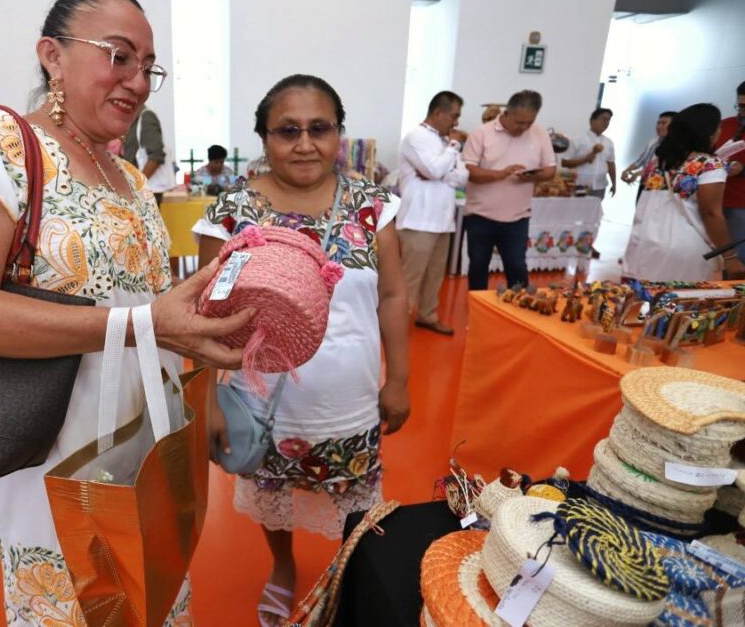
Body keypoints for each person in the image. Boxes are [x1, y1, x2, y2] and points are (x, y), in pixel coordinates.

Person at [0, 0, 252, 626]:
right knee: (76, 602)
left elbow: (145, 304)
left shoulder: (129, 178)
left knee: (149, 590)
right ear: (53, 55)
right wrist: (145, 324)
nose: (138, 82)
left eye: (148, 67)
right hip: (53, 446)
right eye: (118, 56)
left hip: (142, 438)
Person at [195, 74, 410, 626]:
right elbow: (203, 314)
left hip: (351, 399)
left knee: (355, 498)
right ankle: (284, 566)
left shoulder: (372, 207)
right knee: (274, 494)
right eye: (287, 131)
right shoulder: (231, 212)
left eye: (320, 128)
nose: (305, 144)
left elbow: (392, 295)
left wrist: (399, 380)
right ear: (264, 138)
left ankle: (348, 571)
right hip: (265, 402)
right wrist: (208, 401)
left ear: (339, 134)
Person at [624, 103, 745, 281]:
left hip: (644, 242)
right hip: (685, 249)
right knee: (680, 297)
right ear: (708, 133)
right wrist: (730, 257)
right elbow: (711, 213)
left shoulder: (659, 161)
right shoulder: (710, 164)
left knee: (642, 295)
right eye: (718, 127)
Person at [462, 90, 556, 291]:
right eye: (519, 122)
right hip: (480, 215)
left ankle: (519, 306)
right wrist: (501, 174)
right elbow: (468, 171)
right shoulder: (482, 133)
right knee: (478, 265)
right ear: (507, 112)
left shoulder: (539, 134)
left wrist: (533, 175)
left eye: (529, 122)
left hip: (518, 217)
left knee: (517, 266)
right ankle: (478, 306)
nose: (523, 128)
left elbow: (550, 170)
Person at [397, 90, 468, 336]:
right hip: (418, 220)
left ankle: (427, 315)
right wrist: (452, 150)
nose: (456, 122)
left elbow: (462, 177)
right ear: (438, 113)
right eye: (454, 116)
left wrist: (441, 169)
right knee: (410, 278)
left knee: (435, 276)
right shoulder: (415, 137)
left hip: (443, 220)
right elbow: (434, 171)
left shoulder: (444, 142)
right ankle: (395, 324)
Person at [622, 111, 676, 203]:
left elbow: (663, 168)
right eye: (658, 123)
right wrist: (626, 170)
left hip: (660, 188)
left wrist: (640, 173)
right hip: (644, 184)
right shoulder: (653, 142)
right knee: (639, 209)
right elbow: (640, 161)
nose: (659, 126)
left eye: (663, 123)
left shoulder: (676, 146)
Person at [718, 80, 745, 263]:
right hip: (713, 200)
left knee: (737, 258)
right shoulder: (724, 125)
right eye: (740, 105)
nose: (742, 111)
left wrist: (742, 169)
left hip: (741, 205)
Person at [122, 105, 172, 204]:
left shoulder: (146, 117)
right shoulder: (133, 120)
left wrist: (138, 185)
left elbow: (156, 155)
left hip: (145, 191)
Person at [563, 108, 616, 199]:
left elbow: (611, 164)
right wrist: (585, 160)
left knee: (595, 208)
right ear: (592, 120)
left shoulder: (609, 142)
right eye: (603, 119)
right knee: (577, 208)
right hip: (580, 184)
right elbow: (564, 162)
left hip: (600, 186)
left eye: (608, 120)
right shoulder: (578, 139)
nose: (606, 123)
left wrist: (614, 183)